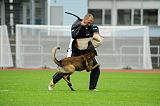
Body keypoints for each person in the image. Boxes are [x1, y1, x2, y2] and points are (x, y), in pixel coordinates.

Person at [48, 13, 100, 91]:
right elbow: (74, 35)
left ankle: (92, 88)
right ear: (84, 20)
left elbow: (96, 37)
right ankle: (53, 82)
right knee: (66, 68)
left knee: (96, 68)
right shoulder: (76, 24)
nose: (89, 24)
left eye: (91, 23)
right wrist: (81, 26)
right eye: (88, 22)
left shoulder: (93, 27)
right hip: (75, 50)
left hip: (86, 52)